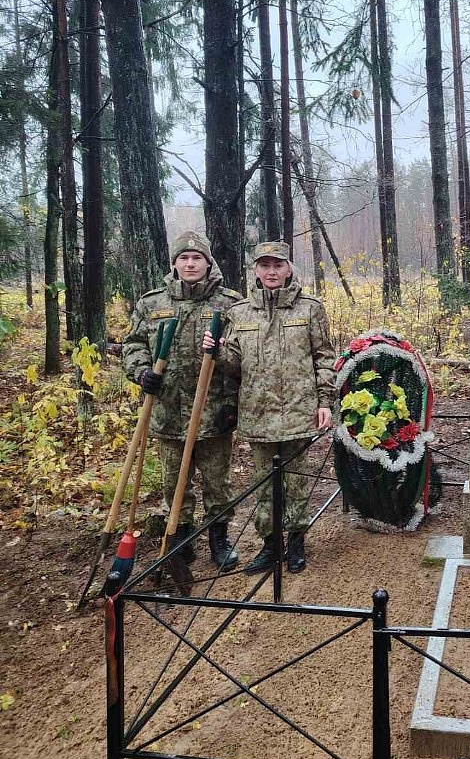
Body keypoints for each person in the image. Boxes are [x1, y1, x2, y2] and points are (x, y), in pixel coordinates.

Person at [204, 240, 335, 574]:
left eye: (278, 265)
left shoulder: (309, 309)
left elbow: (324, 357)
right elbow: (234, 364)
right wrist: (217, 351)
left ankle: (297, 542)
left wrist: (325, 402)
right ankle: (270, 545)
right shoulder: (240, 312)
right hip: (258, 413)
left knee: (296, 482)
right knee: (264, 484)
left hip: (298, 411)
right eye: (265, 265)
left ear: (289, 269)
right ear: (256, 271)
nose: (271, 271)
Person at [123, 231, 243, 569]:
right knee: (174, 482)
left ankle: (219, 537)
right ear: (174, 263)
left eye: (197, 258)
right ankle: (181, 537)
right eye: (184, 258)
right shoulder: (151, 304)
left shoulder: (229, 303)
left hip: (214, 411)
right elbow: (133, 345)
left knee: (217, 482)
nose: (190, 264)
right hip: (168, 410)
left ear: (208, 263)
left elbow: (241, 353)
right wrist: (142, 371)